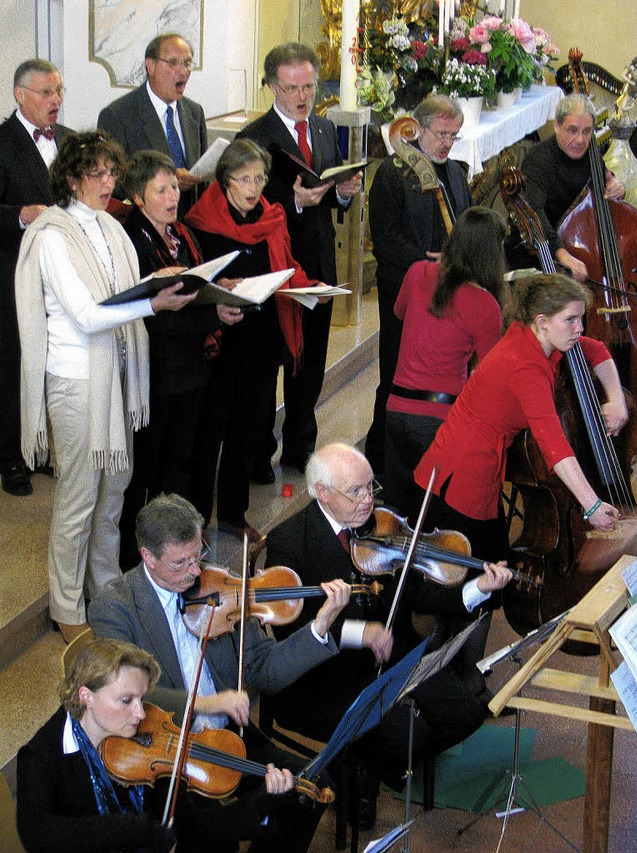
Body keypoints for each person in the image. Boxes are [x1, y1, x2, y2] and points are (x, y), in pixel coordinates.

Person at [88, 492, 351, 853]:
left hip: (229, 736)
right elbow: (132, 697)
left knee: (310, 786)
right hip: (167, 747)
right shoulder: (115, 607)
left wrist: (319, 628)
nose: (196, 571)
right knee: (214, 838)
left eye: (199, 555)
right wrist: (210, 703)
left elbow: (264, 669)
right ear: (147, 557)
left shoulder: (217, 590)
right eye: (181, 563)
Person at [14, 131, 195, 643]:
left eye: (113, 173)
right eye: (98, 174)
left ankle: (107, 591)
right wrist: (153, 304)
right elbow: (89, 315)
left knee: (113, 494)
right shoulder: (51, 235)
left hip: (114, 380)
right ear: (72, 178)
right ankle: (65, 606)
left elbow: (123, 292)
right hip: (74, 382)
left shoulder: (112, 230)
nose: (108, 182)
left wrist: (162, 280)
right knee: (78, 499)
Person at [265, 443, 512, 797]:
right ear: (322, 492)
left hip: (397, 655)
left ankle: (379, 765)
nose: (368, 499)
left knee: (467, 713)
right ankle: (359, 775)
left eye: (370, 487)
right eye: (356, 491)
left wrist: (478, 588)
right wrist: (359, 632)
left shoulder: (381, 524)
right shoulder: (289, 542)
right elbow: (293, 625)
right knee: (407, 738)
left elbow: (417, 593)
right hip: (331, 672)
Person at [414, 273, 628, 565]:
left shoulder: (539, 338)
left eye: (581, 318)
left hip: (481, 460)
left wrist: (616, 401)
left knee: (491, 564)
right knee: (477, 569)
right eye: (571, 320)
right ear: (542, 321)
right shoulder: (525, 368)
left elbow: (597, 350)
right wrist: (591, 506)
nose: (579, 328)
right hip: (466, 467)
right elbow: (554, 445)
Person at [17, 637, 297, 852]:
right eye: (127, 701)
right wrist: (138, 830)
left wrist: (260, 805)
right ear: (86, 697)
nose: (141, 713)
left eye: (142, 698)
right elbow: (37, 832)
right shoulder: (42, 755)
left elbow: (195, 824)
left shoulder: (148, 735)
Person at [184, 138, 322, 539]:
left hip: (262, 342)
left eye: (260, 178)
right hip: (219, 346)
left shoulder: (271, 217)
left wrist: (305, 287)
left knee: (247, 432)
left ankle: (232, 513)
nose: (254, 188)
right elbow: (193, 281)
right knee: (209, 436)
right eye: (244, 179)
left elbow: (285, 268)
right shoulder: (201, 222)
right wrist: (218, 284)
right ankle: (194, 519)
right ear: (225, 180)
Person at [238, 42, 362, 481]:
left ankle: (299, 450)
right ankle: (257, 456)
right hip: (274, 269)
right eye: (292, 88)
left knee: (310, 368)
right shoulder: (254, 137)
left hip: (318, 265)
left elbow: (328, 196)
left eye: (308, 86)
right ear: (273, 86)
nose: (303, 96)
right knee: (272, 363)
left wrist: (343, 195)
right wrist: (291, 199)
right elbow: (246, 208)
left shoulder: (325, 130)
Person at [118, 150, 238, 569]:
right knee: (147, 469)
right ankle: (137, 557)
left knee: (180, 462)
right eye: (161, 190)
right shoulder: (132, 240)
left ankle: (176, 548)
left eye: (174, 187)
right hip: (155, 370)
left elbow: (194, 287)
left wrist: (221, 289)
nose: (172, 197)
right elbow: (154, 315)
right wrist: (213, 313)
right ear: (137, 197)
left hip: (191, 368)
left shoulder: (181, 233)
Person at [365, 94, 472, 479]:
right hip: (405, 292)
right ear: (417, 129)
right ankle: (381, 463)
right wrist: (426, 262)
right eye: (441, 134)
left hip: (448, 291)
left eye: (453, 136)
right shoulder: (393, 174)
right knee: (396, 374)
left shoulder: (456, 173)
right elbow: (385, 239)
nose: (446, 143)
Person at [384, 206, 506, 523]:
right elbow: (491, 372)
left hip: (396, 409)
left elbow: (399, 311)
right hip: (439, 420)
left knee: (399, 516)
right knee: (435, 520)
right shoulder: (484, 304)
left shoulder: (416, 272)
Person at [0, 58, 72, 497]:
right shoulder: (2, 141)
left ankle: (38, 449)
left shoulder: (67, 141)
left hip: (59, 273)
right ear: (19, 95)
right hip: (12, 273)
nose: (55, 100)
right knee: (15, 365)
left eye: (59, 91)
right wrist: (21, 216)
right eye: (46, 93)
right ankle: (10, 455)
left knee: (49, 361)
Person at [519, 93, 625, 282]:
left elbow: (604, 179)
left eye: (587, 131)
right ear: (556, 126)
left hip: (583, 250)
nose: (580, 140)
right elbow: (534, 211)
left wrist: (615, 186)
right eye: (572, 130)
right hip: (542, 253)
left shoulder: (590, 153)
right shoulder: (539, 160)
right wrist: (561, 253)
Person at [97, 33, 206, 212]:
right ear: (151, 65)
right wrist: (165, 181)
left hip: (190, 226)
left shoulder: (195, 112)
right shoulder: (118, 115)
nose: (183, 71)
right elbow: (111, 181)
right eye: (173, 63)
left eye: (187, 63)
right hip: (145, 225)